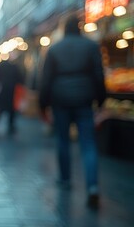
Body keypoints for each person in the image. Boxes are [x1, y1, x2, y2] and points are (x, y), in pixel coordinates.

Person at [38, 14, 106, 208]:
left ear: (63, 29)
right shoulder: (91, 46)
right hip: (85, 100)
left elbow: (46, 79)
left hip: (60, 101)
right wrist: (101, 101)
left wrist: (43, 105)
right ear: (79, 28)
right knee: (88, 144)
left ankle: (65, 179)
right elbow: (99, 75)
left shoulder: (54, 49)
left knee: (63, 141)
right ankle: (92, 186)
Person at [0, 59, 24, 134]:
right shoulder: (15, 67)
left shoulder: (1, 66)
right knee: (11, 109)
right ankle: (10, 124)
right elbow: (20, 79)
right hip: (12, 91)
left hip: (2, 90)